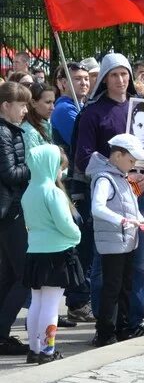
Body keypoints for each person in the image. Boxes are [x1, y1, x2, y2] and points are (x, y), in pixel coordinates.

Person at [75, 54, 144, 340]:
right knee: (106, 268)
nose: (121, 80)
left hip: (139, 195)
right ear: (105, 78)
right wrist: (118, 175)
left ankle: (132, 321)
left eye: (125, 74)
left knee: (138, 264)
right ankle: (105, 325)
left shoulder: (142, 108)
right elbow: (83, 158)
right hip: (109, 197)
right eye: (114, 75)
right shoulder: (93, 113)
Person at [87, 134, 144, 347]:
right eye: (131, 160)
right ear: (117, 155)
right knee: (112, 287)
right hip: (113, 241)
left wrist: (142, 221)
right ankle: (105, 332)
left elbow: (132, 207)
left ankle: (122, 327)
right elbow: (97, 208)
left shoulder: (122, 178)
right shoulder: (104, 178)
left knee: (125, 285)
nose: (133, 165)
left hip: (126, 239)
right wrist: (123, 220)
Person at [22, 145, 81, 363]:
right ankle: (48, 350)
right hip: (56, 253)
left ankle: (35, 348)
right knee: (51, 304)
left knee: (36, 302)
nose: (61, 172)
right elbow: (64, 223)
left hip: (34, 252)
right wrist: (77, 235)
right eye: (59, 167)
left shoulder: (29, 191)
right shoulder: (53, 192)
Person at [0, 82, 32, 355]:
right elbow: (9, 174)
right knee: (25, 273)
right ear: (5, 106)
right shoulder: (2, 133)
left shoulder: (9, 131)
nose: (25, 110)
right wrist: (34, 164)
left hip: (11, 209)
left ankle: (2, 333)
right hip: (9, 211)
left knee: (10, 275)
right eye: (21, 104)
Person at [51, 62, 90, 153]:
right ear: (64, 83)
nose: (84, 83)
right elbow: (84, 141)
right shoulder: (64, 109)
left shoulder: (83, 105)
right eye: (77, 79)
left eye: (86, 79)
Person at [21, 83, 56, 152]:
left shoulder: (45, 124)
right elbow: (32, 162)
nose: (53, 107)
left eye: (53, 102)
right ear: (33, 103)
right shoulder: (29, 132)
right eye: (48, 102)